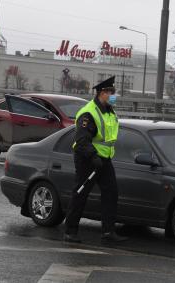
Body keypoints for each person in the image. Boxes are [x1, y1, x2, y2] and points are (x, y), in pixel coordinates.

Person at [63, 76, 127, 244]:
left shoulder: (110, 112)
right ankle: (70, 231)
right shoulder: (89, 113)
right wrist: (93, 156)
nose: (113, 95)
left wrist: (102, 158)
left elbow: (108, 139)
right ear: (101, 93)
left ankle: (108, 231)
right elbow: (82, 140)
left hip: (104, 159)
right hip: (87, 159)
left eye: (114, 92)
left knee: (111, 193)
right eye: (110, 92)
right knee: (81, 193)